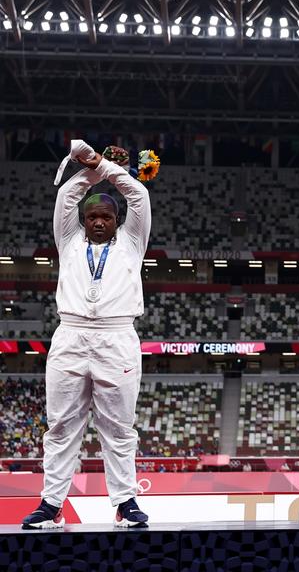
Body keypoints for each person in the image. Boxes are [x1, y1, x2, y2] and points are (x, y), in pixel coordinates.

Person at [22, 140, 152, 530]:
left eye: (105, 217)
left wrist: (103, 164)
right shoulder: (69, 240)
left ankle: (125, 501)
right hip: (72, 335)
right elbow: (67, 192)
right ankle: (51, 504)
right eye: (92, 216)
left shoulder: (133, 242)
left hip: (117, 337)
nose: (98, 222)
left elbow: (138, 193)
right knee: (61, 425)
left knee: (118, 427)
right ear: (83, 219)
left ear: (117, 220)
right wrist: (97, 167)